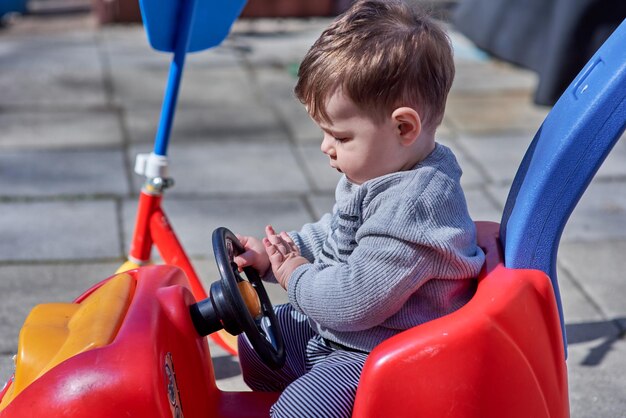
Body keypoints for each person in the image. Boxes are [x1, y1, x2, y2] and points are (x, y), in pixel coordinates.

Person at [233, 1, 485, 416]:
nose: (325, 147)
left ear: (403, 127)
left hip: (388, 354)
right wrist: (275, 255)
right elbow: (339, 233)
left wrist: (293, 274)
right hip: (348, 336)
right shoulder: (380, 170)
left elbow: (353, 300)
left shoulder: (417, 206)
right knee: (258, 339)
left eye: (340, 136)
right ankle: (307, 394)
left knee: (299, 411)